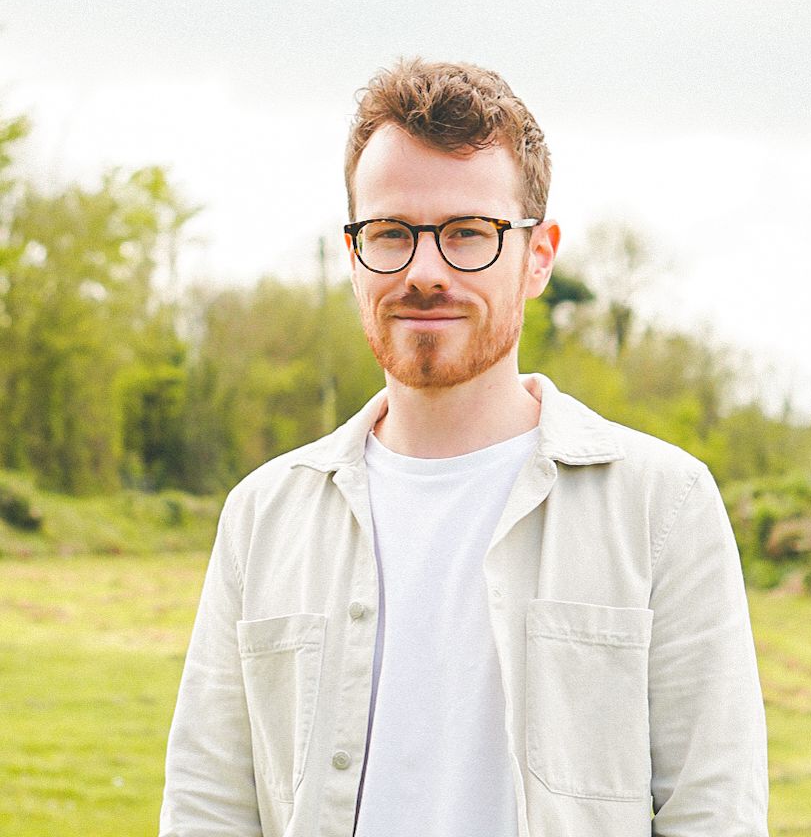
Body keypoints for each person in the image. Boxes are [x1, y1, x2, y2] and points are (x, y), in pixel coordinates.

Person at [159, 59, 769, 837]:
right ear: (352, 253)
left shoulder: (662, 505)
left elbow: (714, 813)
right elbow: (207, 809)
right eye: (389, 233)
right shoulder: (263, 515)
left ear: (539, 255)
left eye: (468, 235)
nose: (424, 272)